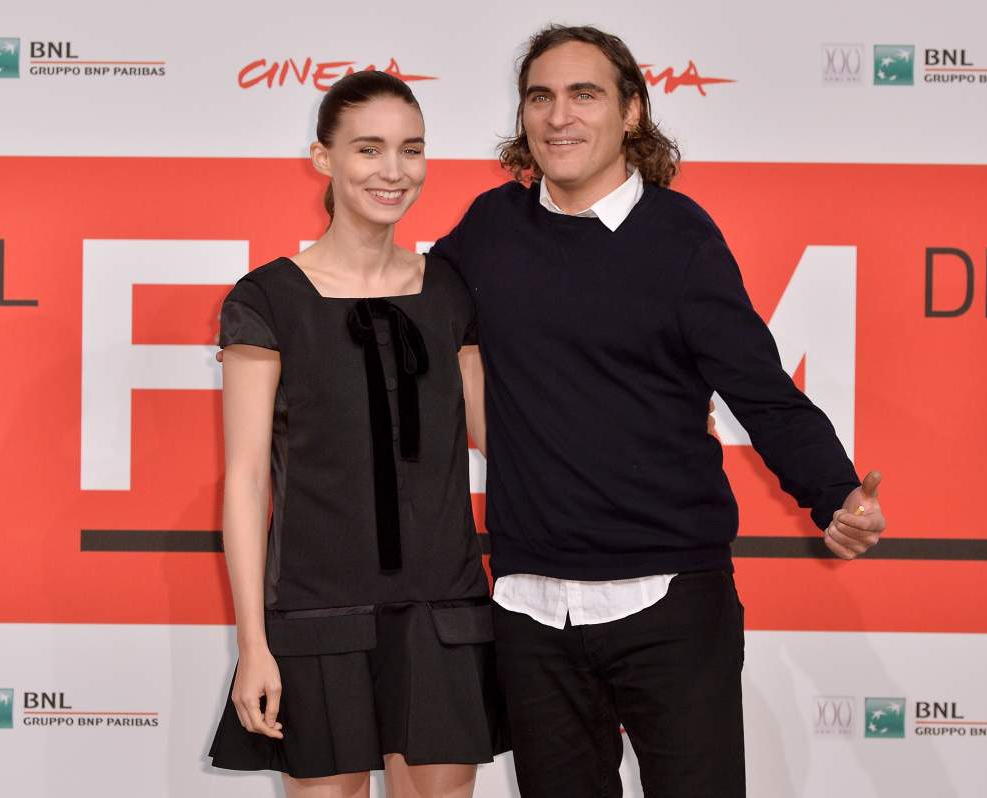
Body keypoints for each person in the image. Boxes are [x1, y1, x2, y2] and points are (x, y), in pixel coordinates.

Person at [423, 25, 888, 798]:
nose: (559, 116)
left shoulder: (680, 238)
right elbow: (406, 310)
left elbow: (761, 390)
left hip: (670, 602)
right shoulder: (489, 228)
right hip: (530, 608)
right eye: (540, 97)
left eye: (584, 95)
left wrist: (835, 493)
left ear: (631, 111)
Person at [207, 70, 506, 798]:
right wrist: (253, 645)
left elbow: (500, 437)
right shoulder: (268, 299)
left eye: (412, 149)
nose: (393, 171)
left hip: (442, 606)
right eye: (369, 149)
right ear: (324, 158)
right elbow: (245, 481)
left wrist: (649, 420)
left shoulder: (449, 291)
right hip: (316, 608)